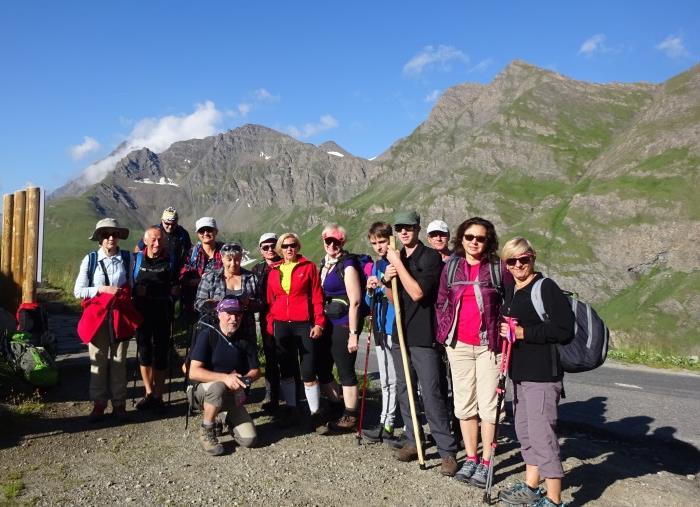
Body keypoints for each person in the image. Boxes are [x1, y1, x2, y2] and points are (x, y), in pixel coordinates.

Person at [435, 217, 513, 487]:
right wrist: (444, 334)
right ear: (461, 238)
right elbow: (442, 300)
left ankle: (487, 462)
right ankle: (471, 458)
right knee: (464, 404)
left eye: (480, 238)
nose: (474, 242)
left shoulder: (497, 268)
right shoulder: (452, 266)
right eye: (469, 237)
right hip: (458, 345)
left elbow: (510, 300)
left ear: (488, 240)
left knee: (489, 407)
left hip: (489, 346)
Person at [497, 237, 574, 507]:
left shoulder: (546, 288)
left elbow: (565, 330)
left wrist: (523, 332)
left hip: (542, 374)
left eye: (524, 259)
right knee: (525, 431)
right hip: (519, 374)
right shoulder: (512, 290)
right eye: (512, 260)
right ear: (505, 264)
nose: (518, 264)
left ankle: (553, 499)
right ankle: (531, 485)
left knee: (543, 436)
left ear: (533, 257)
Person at [383, 210, 459, 476]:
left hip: (423, 335)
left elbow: (416, 293)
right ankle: (415, 439)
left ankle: (446, 450)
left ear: (417, 228)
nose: (403, 232)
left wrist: (397, 265)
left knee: (431, 392)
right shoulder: (398, 257)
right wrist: (385, 279)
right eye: (399, 228)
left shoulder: (430, 258)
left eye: (408, 228)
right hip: (400, 332)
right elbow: (395, 298)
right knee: (404, 389)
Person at [74, 218, 136, 423]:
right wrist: (102, 289)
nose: (111, 238)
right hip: (97, 318)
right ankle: (99, 403)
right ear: (99, 238)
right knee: (98, 360)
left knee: (119, 361)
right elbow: (78, 291)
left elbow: (132, 286)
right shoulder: (90, 260)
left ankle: (119, 404)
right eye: (106, 234)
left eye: (114, 234)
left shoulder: (127, 258)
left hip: (120, 316)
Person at [265, 233, 327, 428]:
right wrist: (270, 326)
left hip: (303, 323)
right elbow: (270, 301)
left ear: (298, 247)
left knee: (308, 369)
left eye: (292, 245)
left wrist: (319, 323)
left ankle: (315, 413)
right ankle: (292, 408)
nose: (289, 249)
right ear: (280, 250)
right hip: (281, 324)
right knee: (286, 368)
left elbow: (317, 297)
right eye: (285, 246)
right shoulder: (274, 270)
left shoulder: (309, 267)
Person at [189, 298, 260, 456]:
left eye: (238, 314)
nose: (234, 319)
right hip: (202, 391)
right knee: (218, 386)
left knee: (250, 439)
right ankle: (206, 430)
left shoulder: (245, 340)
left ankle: (223, 417)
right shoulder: (207, 335)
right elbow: (193, 372)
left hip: (232, 394)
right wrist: (225, 378)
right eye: (229, 314)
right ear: (219, 314)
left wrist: (244, 380)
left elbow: (256, 370)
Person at [318, 224, 364, 432]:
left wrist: (353, 334)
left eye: (336, 241)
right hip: (329, 322)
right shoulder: (325, 263)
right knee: (323, 365)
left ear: (342, 242)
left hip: (344, 323)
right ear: (323, 241)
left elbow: (355, 301)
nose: (332, 245)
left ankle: (351, 415)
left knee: (345, 368)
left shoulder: (348, 265)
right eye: (329, 241)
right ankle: (338, 404)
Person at [133, 226, 179, 412]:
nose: (157, 243)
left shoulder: (171, 261)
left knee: (160, 355)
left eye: (160, 239)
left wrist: (157, 291)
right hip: (141, 313)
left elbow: (176, 288)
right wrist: (137, 291)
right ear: (145, 241)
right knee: (144, 353)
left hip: (163, 313)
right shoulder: (136, 260)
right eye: (153, 239)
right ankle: (149, 393)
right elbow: (129, 284)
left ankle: (159, 396)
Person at [361, 222, 399, 444]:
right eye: (374, 243)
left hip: (393, 326)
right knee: (384, 376)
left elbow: (396, 296)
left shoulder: (395, 263)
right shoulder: (376, 265)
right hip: (379, 326)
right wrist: (369, 288)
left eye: (382, 242)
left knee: (393, 378)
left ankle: (389, 421)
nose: (378, 247)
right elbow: (369, 301)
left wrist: (383, 285)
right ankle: (385, 420)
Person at [194, 242, 261, 342]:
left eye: (237, 259)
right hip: (216, 331)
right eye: (229, 260)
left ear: (241, 258)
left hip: (246, 332)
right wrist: (216, 305)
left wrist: (248, 303)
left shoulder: (251, 278)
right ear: (222, 258)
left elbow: (261, 303)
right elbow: (198, 304)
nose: (233, 264)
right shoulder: (210, 278)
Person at [251, 233, 283, 412]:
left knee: (288, 357)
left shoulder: (287, 264)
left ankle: (290, 396)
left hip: (288, 318)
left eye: (273, 246)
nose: (270, 250)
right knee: (271, 358)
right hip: (267, 318)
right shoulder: (257, 269)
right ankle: (272, 396)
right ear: (261, 250)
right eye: (265, 247)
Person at [180, 217, 223, 318]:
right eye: (201, 231)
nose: (205, 233)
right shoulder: (191, 253)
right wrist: (198, 281)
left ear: (216, 231)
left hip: (220, 303)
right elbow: (182, 277)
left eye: (209, 230)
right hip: (195, 302)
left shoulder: (225, 251)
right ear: (198, 234)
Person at [137, 206, 192, 274]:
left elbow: (188, 250)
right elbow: (139, 248)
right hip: (155, 271)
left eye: (173, 224)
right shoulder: (154, 231)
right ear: (162, 221)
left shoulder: (182, 233)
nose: (170, 226)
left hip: (175, 273)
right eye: (167, 223)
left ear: (177, 222)